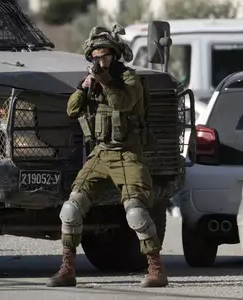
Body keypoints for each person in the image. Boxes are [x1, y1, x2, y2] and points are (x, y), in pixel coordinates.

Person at [46, 24, 168, 288]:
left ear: (115, 55)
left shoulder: (129, 79)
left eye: (106, 56)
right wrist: (84, 86)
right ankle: (67, 268)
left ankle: (156, 268)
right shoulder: (93, 81)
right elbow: (72, 110)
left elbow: (122, 103)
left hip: (127, 154)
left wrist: (103, 80)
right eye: (96, 57)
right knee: (70, 208)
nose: (101, 61)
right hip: (101, 154)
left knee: (135, 212)